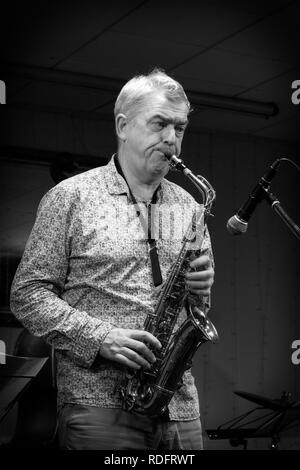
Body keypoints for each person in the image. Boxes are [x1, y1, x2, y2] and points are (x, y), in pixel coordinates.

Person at [10, 68, 215, 450]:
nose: (172, 139)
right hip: (99, 405)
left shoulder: (190, 206)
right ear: (123, 125)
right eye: (160, 124)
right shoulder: (70, 197)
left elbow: (198, 311)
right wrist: (101, 337)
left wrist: (200, 291)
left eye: (180, 128)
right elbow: (27, 295)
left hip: (180, 405)